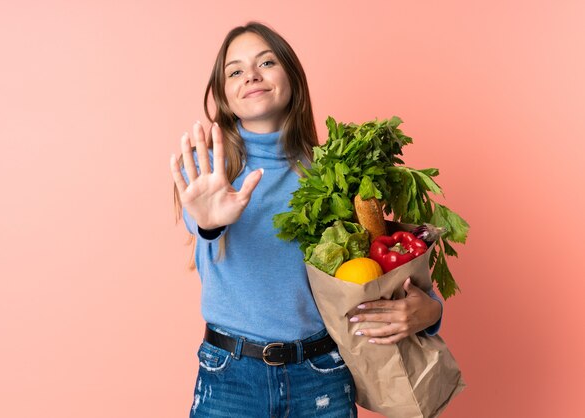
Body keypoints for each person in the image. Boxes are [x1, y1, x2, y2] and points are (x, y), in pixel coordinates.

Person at [170, 22, 443, 418]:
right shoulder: (209, 170)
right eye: (235, 70)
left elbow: (380, 265)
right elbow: (203, 224)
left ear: (293, 79)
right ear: (224, 96)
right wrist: (210, 223)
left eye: (267, 61)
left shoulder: (336, 173)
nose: (251, 75)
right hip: (231, 378)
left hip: (322, 374)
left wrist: (430, 312)